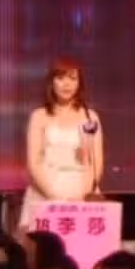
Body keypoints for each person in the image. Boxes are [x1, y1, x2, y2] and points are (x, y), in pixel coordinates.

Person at [21, 59, 104, 226]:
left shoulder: (90, 117)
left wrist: (82, 195)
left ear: (79, 83)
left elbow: (97, 162)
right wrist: (54, 196)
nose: (67, 84)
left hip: (82, 189)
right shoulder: (39, 116)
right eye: (60, 78)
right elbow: (33, 162)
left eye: (72, 78)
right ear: (51, 82)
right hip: (45, 189)